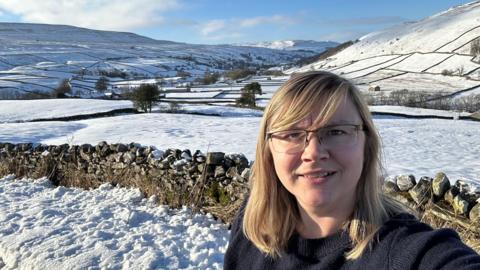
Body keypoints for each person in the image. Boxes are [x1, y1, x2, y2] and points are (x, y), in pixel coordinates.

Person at [223, 71, 480, 269]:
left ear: (366, 144)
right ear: (268, 149)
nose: (313, 152)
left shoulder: (406, 250)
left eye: (336, 131)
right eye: (291, 134)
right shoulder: (252, 224)